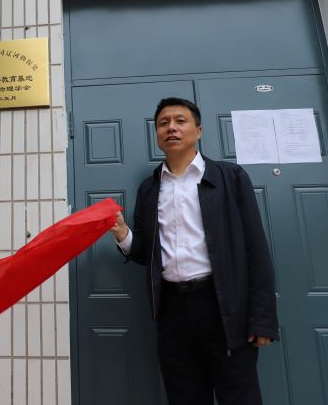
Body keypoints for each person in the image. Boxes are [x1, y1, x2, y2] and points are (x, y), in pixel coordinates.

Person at [110, 97, 278, 405]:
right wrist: (123, 234)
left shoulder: (231, 178)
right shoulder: (149, 189)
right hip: (172, 311)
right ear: (157, 135)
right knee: (184, 396)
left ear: (198, 131)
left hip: (224, 307)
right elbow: (146, 253)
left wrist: (262, 319)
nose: (171, 128)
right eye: (163, 123)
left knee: (239, 396)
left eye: (180, 120)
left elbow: (255, 249)